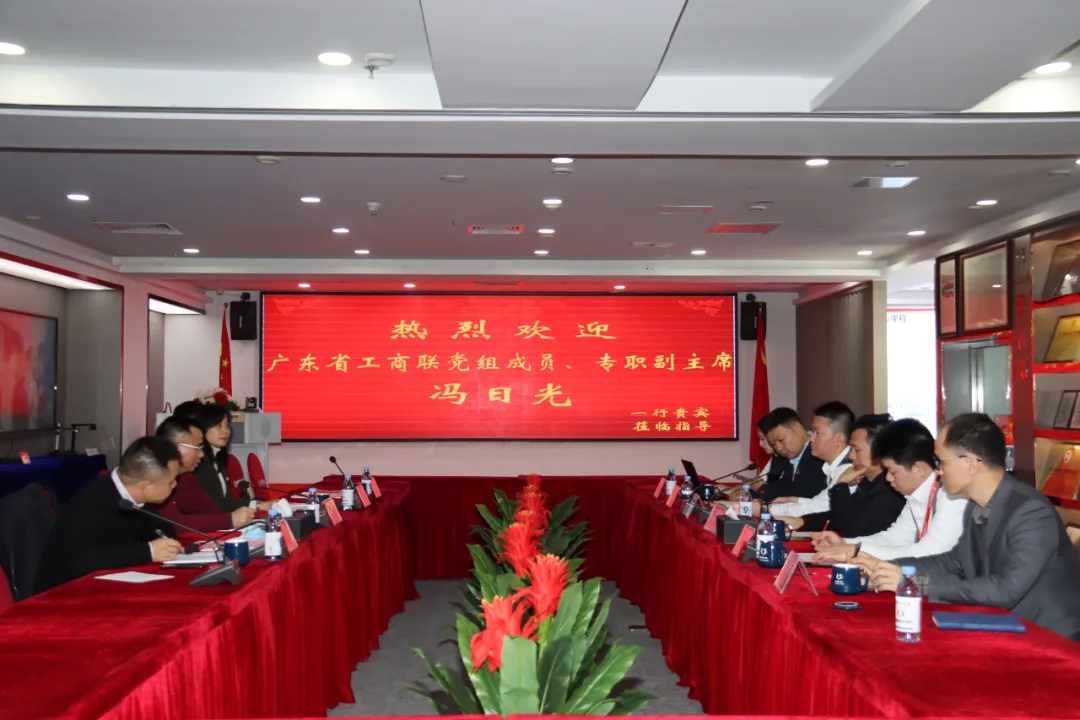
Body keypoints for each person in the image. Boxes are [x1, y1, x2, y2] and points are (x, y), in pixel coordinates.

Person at [865, 413, 1080, 641]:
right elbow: (953, 563)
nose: (937, 471)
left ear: (969, 462)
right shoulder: (976, 505)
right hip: (1005, 628)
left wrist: (915, 583)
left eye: (941, 462)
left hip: (1051, 639)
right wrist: (885, 567)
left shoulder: (1031, 512)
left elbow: (1004, 589)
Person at [34, 437, 184, 594]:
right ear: (146, 486)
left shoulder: (131, 496)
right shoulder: (90, 503)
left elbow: (161, 530)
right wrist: (148, 552)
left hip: (104, 586)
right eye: (171, 481)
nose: (175, 485)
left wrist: (163, 544)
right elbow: (82, 562)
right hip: (63, 596)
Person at [812, 418, 967, 564]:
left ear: (919, 469)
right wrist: (845, 543)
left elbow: (929, 553)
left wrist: (856, 551)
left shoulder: (951, 496)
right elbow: (895, 538)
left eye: (893, 472)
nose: (888, 478)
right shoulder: (916, 493)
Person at [776, 414, 903, 534]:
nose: (851, 456)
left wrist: (841, 485)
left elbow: (850, 528)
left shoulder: (892, 490)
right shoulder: (866, 483)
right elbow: (835, 516)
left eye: (857, 449)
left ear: (880, 450)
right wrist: (803, 522)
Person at [155, 416, 255, 532]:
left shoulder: (185, 476)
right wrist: (229, 520)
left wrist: (234, 517)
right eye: (197, 447)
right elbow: (173, 525)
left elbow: (210, 509)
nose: (201, 455)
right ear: (175, 447)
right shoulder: (156, 477)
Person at [174, 401, 272, 514]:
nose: (225, 431)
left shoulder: (218, 457)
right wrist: (257, 505)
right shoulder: (200, 462)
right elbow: (216, 505)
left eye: (227, 425)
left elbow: (226, 500)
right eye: (218, 426)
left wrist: (256, 504)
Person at [766, 401, 855, 519]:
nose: (811, 438)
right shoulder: (832, 467)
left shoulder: (848, 469)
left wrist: (766, 509)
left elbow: (812, 509)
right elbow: (821, 504)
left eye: (817, 432)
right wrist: (796, 500)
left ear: (838, 438)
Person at [756, 407, 827, 503]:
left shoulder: (819, 454)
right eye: (773, 444)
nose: (778, 448)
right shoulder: (791, 457)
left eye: (781, 440)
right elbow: (781, 487)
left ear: (798, 429)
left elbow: (801, 493)